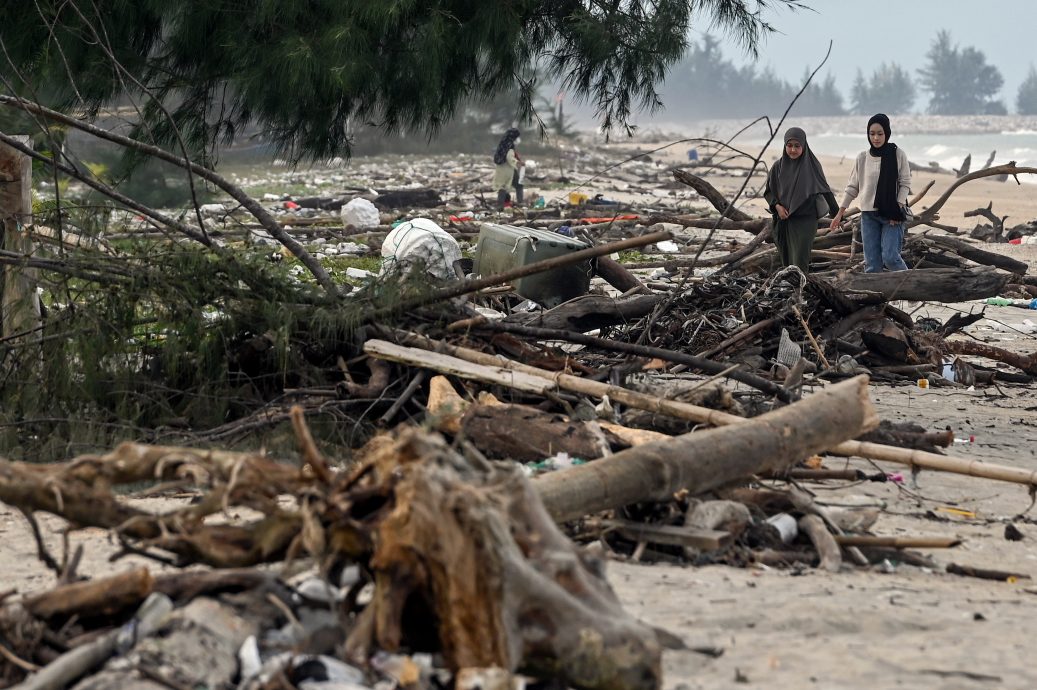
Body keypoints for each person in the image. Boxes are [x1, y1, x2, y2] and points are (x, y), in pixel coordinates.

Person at [829, 113, 911, 272]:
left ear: (887, 133)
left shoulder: (898, 154)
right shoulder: (862, 157)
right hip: (868, 216)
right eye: (872, 134)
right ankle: (877, 296)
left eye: (880, 134)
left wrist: (897, 208)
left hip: (891, 215)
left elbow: (905, 184)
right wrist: (840, 213)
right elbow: (853, 187)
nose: (876, 138)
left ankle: (912, 288)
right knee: (872, 264)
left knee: (891, 257)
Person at [763, 127, 838, 274]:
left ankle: (800, 291)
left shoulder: (812, 166)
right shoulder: (777, 167)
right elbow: (768, 192)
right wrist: (777, 206)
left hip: (806, 220)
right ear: (785, 146)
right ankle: (791, 291)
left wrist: (838, 214)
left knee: (799, 260)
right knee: (786, 260)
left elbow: (825, 190)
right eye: (789, 146)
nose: (792, 150)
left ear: (804, 146)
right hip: (784, 220)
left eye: (797, 146)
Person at [492, 128, 524, 207]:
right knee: (519, 185)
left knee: (502, 186)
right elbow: (509, 157)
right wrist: (518, 162)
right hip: (508, 169)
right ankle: (520, 202)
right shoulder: (510, 145)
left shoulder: (502, 143)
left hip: (500, 169)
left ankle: (500, 206)